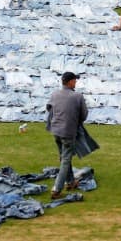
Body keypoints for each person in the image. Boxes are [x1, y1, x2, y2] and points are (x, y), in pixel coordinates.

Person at [47, 71, 88, 199]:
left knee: (64, 157)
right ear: (70, 82)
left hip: (55, 131)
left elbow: (49, 109)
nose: (76, 82)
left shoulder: (54, 94)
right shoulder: (78, 96)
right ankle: (56, 189)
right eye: (75, 80)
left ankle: (70, 182)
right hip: (68, 132)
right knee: (65, 160)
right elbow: (84, 115)